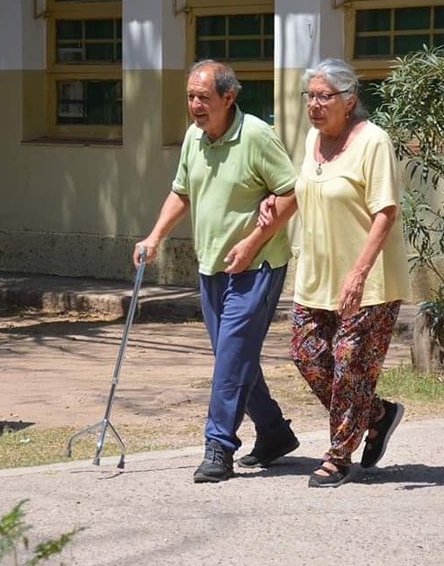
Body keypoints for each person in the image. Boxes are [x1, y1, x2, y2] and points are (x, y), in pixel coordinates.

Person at [134, 59, 300, 483]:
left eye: (203, 97)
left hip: (258, 265)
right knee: (234, 356)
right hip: (212, 266)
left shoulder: (258, 137)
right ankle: (275, 433)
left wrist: (250, 244)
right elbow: (181, 192)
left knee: (230, 358)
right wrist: (154, 237)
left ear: (229, 97)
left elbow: (290, 192)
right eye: (191, 97)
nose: (195, 105)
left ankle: (218, 447)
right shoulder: (194, 138)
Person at [259, 58, 411, 487]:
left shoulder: (373, 141)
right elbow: (303, 190)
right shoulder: (311, 140)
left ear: (350, 100)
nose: (314, 105)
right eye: (310, 96)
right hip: (318, 276)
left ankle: (338, 456)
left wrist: (359, 272)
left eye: (323, 96)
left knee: (349, 366)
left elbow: (385, 211)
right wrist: (272, 203)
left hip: (369, 280)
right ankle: (377, 414)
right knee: (307, 355)